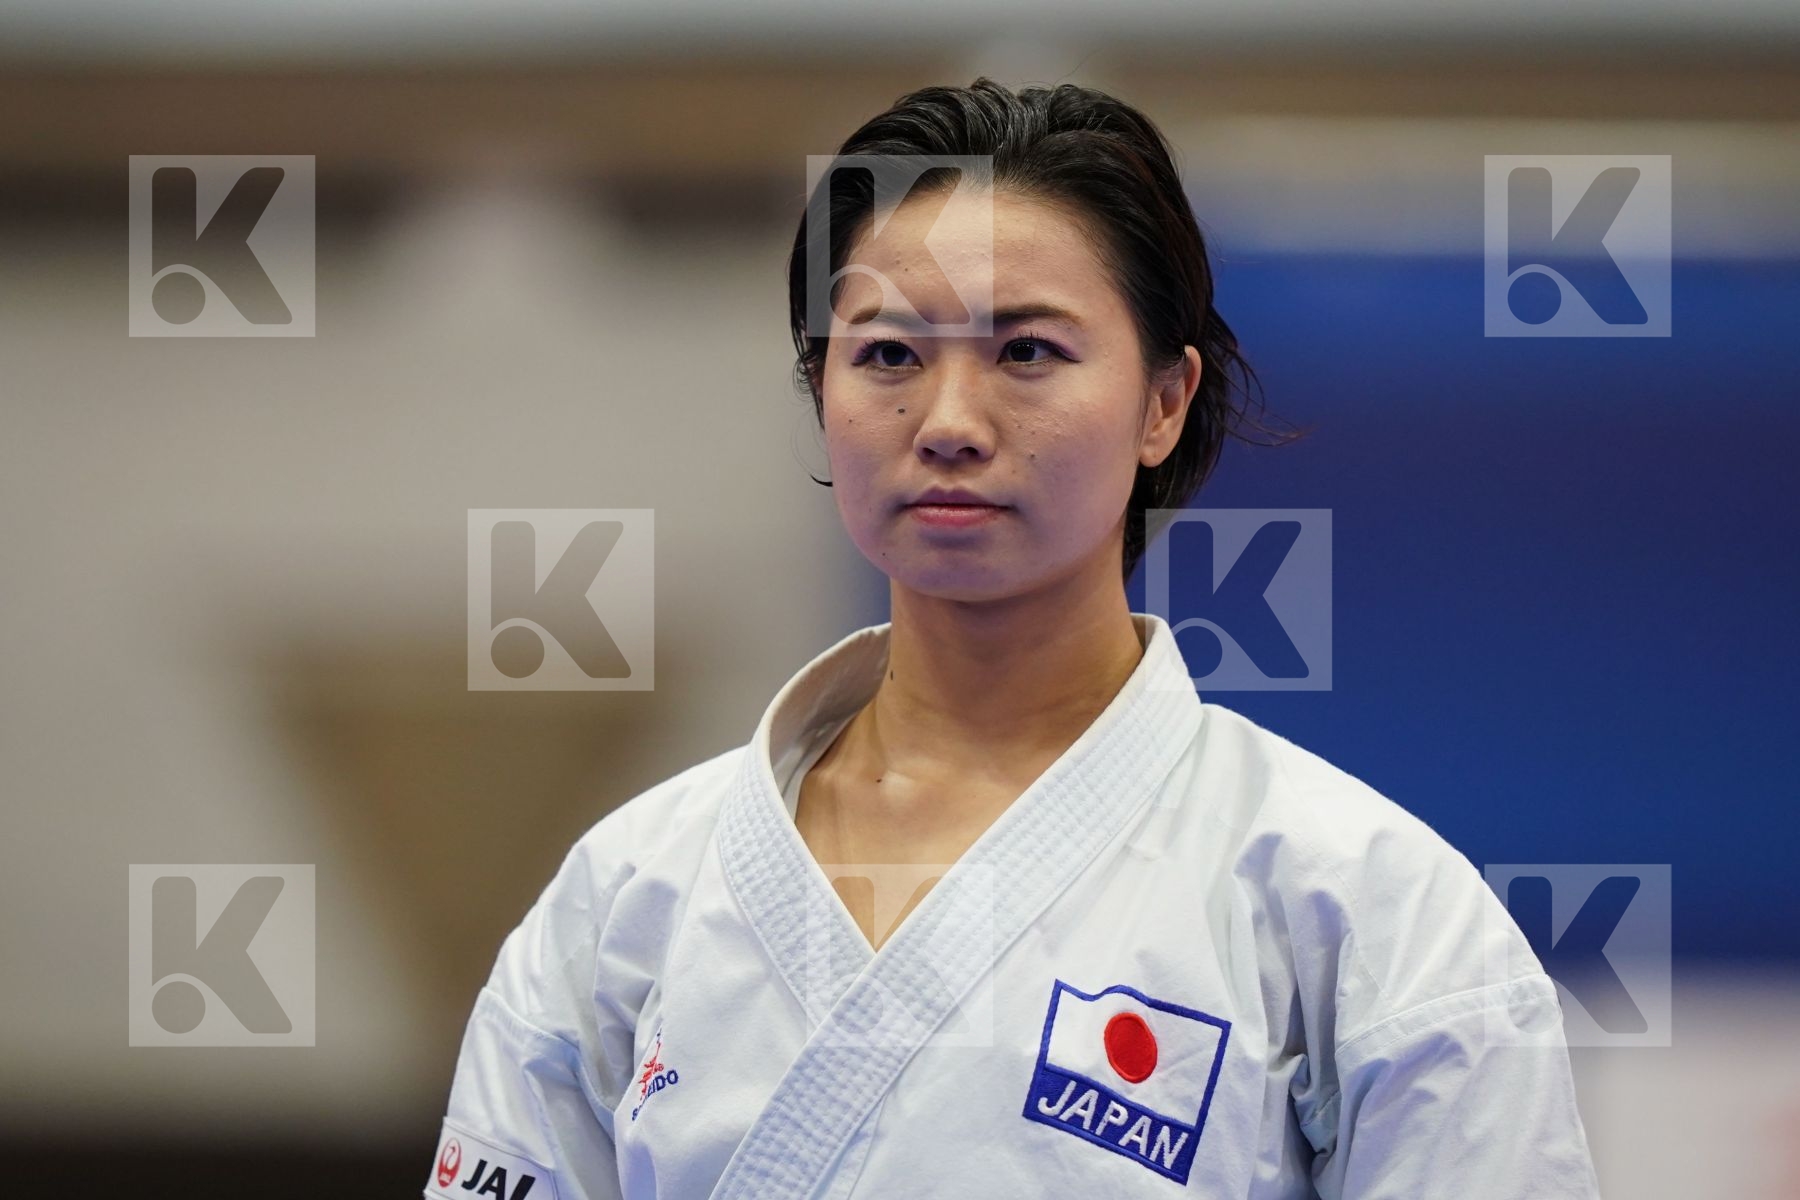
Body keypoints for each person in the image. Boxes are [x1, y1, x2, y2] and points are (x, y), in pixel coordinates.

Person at [426, 78, 1603, 1199]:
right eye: (887, 354)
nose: (948, 422)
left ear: (1164, 401)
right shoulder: (630, 894)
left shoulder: (1358, 903)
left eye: (1027, 351)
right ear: (822, 391)